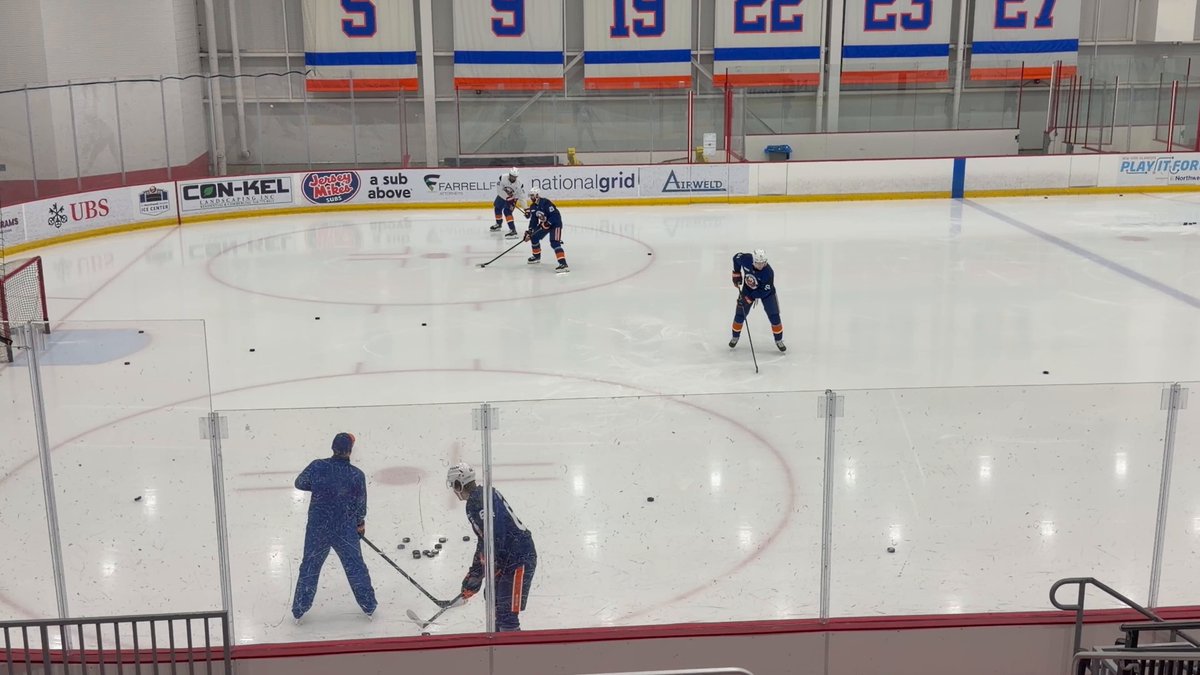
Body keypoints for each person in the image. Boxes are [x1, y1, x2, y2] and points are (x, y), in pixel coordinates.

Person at [291, 432, 377, 623]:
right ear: (350, 451)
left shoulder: (317, 466)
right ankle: (368, 606)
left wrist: (321, 486)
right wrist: (360, 524)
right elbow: (360, 505)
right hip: (345, 529)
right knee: (355, 567)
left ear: (332, 448)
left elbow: (300, 482)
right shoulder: (356, 475)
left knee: (309, 567)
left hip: (318, 528)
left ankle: (299, 609)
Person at [447, 462, 537, 632]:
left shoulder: (478, 502)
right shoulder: (480, 497)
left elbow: (495, 537)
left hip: (519, 558)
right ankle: (498, 648)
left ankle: (513, 654)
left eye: (453, 485)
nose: (453, 490)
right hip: (508, 556)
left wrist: (482, 571)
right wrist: (475, 573)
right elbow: (485, 540)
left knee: (506, 611)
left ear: (459, 484)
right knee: (494, 602)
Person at [729, 249, 786, 352]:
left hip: (767, 294)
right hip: (748, 290)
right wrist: (737, 273)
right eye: (757, 263)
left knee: (774, 316)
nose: (760, 265)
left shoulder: (768, 272)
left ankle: (779, 340)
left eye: (762, 263)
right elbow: (736, 257)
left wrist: (749, 298)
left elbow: (764, 291)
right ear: (753, 261)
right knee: (740, 314)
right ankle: (735, 337)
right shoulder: (745, 259)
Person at [523, 188, 569, 273]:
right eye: (530, 196)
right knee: (534, 236)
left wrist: (548, 223)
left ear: (537, 195)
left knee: (554, 242)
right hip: (545, 225)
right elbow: (533, 221)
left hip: (555, 224)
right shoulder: (533, 207)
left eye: (533, 196)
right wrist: (530, 231)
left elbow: (555, 215)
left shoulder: (546, 203)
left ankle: (563, 264)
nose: (531, 198)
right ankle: (536, 257)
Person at [490, 167, 527, 238]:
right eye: (511, 176)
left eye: (514, 177)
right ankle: (498, 224)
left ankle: (513, 230)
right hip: (502, 196)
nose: (513, 178)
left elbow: (521, 197)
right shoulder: (502, 178)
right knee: (497, 207)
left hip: (513, 198)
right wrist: (506, 196)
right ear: (509, 174)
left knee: (507, 211)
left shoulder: (519, 184)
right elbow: (499, 189)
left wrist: (526, 209)